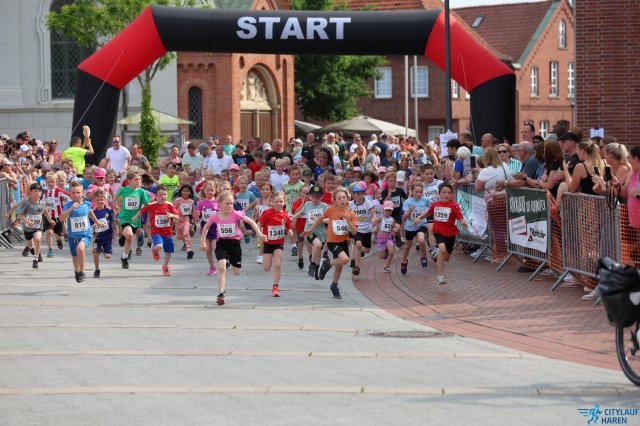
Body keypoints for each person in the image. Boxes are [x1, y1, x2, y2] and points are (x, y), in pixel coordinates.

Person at [200, 191, 265, 305]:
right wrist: (202, 242)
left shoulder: (236, 214)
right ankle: (221, 294)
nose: (230, 206)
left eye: (231, 203)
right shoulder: (215, 216)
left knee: (236, 272)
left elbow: (251, 221)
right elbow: (206, 227)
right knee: (221, 267)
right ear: (220, 204)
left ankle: (230, 261)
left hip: (234, 244)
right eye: (227, 203)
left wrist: (259, 234)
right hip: (221, 243)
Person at [302, 188, 358, 299]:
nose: (342, 200)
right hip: (332, 241)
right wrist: (309, 230)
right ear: (334, 201)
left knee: (339, 267)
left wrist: (348, 222)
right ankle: (327, 263)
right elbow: (319, 219)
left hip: (343, 242)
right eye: (339, 198)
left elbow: (354, 232)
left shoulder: (351, 214)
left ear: (347, 199)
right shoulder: (331, 210)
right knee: (345, 260)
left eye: (344, 198)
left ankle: (334, 286)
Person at [415, 182, 468, 285]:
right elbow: (428, 213)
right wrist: (419, 218)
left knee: (446, 258)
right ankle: (440, 276)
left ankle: (439, 253)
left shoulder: (454, 206)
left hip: (450, 234)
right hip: (439, 231)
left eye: (449, 193)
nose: (446, 195)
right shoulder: (435, 205)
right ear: (439, 194)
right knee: (442, 250)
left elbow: (459, 216)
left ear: (452, 194)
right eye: (444, 192)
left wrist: (463, 222)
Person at [60, 181, 105, 282]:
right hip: (73, 236)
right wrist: (71, 209)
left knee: (80, 248)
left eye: (78, 192)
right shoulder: (68, 205)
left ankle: (82, 272)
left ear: (82, 193)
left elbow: (90, 212)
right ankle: (77, 271)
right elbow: (61, 218)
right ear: (70, 194)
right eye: (73, 193)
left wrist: (97, 222)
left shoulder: (87, 203)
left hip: (85, 234)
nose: (76, 195)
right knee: (75, 257)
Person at [132, 185, 180, 276]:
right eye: (160, 195)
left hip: (167, 233)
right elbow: (142, 210)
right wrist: (135, 217)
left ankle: (165, 266)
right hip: (156, 232)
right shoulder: (151, 205)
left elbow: (177, 216)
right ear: (156, 196)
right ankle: (154, 248)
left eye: (165, 194)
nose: (163, 197)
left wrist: (172, 215)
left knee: (168, 251)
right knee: (159, 246)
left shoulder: (169, 205)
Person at [257, 191, 292, 297]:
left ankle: (275, 286)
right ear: (272, 202)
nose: (278, 203)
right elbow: (259, 223)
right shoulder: (267, 213)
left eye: (281, 201)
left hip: (279, 243)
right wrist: (260, 235)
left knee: (277, 264)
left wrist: (289, 231)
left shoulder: (285, 215)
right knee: (267, 267)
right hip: (268, 243)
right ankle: (268, 260)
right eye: (276, 201)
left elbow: (288, 227)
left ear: (284, 202)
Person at [115, 169, 151, 268]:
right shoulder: (123, 190)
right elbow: (115, 197)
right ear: (129, 181)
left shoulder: (142, 192)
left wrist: (151, 204)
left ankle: (124, 256)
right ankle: (125, 258)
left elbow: (147, 205)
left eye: (139, 179)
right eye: (136, 179)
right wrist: (115, 205)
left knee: (129, 237)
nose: (138, 181)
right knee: (130, 235)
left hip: (135, 219)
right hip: (124, 217)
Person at [291, 184, 328, 279]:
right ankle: (312, 264)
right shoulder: (307, 204)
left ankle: (316, 268)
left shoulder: (324, 206)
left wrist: (320, 220)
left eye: (318, 197)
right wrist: (291, 218)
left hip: (321, 233)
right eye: (313, 196)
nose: (315, 199)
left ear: (322, 197)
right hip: (309, 231)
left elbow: (329, 220)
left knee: (319, 253)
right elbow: (301, 213)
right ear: (310, 196)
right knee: (318, 245)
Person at [16, 183, 54, 269]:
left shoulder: (42, 203)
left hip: (38, 227)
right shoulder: (27, 204)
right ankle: (31, 248)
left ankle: (36, 259)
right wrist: (28, 221)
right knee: (30, 244)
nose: (38, 193)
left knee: (38, 239)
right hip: (27, 228)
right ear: (30, 193)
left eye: (39, 191)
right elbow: (20, 216)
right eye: (35, 191)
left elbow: (45, 211)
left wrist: (50, 220)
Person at [400, 183, 431, 275]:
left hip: (421, 223)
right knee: (407, 246)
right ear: (412, 191)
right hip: (410, 226)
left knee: (421, 240)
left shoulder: (425, 200)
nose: (419, 194)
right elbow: (404, 218)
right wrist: (410, 210)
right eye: (416, 192)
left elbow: (434, 205)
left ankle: (423, 256)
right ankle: (404, 261)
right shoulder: (408, 202)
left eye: (420, 192)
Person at [349, 181, 375, 276]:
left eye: (362, 193)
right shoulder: (350, 204)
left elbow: (373, 214)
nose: (360, 196)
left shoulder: (368, 202)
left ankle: (361, 250)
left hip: (367, 229)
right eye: (358, 194)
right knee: (358, 244)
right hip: (356, 229)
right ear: (353, 195)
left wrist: (373, 219)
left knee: (367, 250)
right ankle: (356, 266)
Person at [90, 188, 118, 278]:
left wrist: (118, 231)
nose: (100, 202)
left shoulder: (109, 211)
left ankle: (106, 249)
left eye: (101, 199)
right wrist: (92, 227)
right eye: (97, 200)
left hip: (107, 238)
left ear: (105, 200)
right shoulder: (92, 213)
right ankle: (97, 269)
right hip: (96, 238)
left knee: (107, 256)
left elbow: (116, 220)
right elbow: (90, 225)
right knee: (95, 254)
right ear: (94, 201)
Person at [42, 171, 70, 257]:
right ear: (46, 182)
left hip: (58, 216)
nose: (51, 184)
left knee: (58, 234)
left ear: (56, 182)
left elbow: (69, 195)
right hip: (48, 216)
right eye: (49, 182)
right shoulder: (45, 193)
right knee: (49, 232)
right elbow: (42, 205)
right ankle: (50, 249)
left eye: (53, 182)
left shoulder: (59, 191)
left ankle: (59, 240)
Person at [172, 184, 196, 259]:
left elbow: (193, 211)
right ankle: (174, 241)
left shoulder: (191, 201)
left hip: (186, 219)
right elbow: (173, 208)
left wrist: (194, 219)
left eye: (187, 191)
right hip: (178, 220)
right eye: (184, 191)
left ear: (190, 192)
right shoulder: (178, 200)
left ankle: (189, 249)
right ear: (181, 192)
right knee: (179, 236)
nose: (185, 193)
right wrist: (172, 217)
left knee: (186, 233)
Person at [372, 200, 397, 273]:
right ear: (383, 210)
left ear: (391, 211)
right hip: (380, 239)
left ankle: (387, 266)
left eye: (390, 210)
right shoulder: (380, 218)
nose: (388, 212)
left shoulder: (392, 219)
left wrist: (393, 229)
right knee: (381, 257)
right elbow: (374, 223)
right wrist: (375, 227)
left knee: (391, 252)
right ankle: (385, 249)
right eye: (387, 210)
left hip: (388, 238)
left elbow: (395, 229)